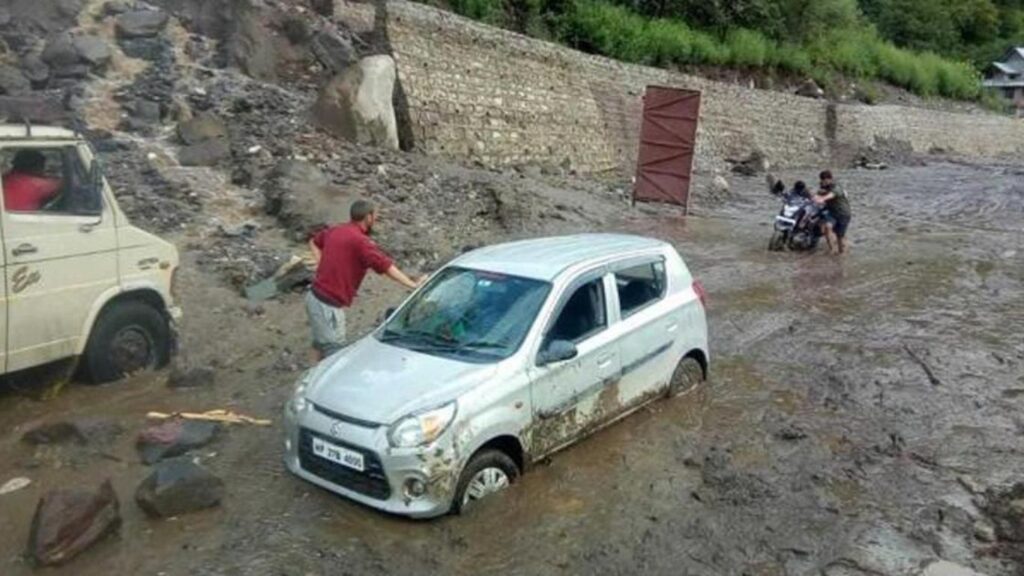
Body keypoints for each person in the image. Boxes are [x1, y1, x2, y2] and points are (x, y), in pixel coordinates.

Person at [306, 199, 422, 360]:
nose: (376, 219)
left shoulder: (337, 230)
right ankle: (321, 383)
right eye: (375, 216)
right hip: (328, 305)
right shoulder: (361, 242)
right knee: (333, 354)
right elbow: (385, 266)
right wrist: (412, 284)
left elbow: (313, 242)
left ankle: (310, 381)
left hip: (315, 297)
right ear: (368, 217)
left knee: (320, 343)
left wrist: (320, 263)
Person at [813, 170, 852, 255]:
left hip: (843, 214)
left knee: (840, 236)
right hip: (832, 213)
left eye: (825, 180)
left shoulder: (837, 188)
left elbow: (830, 196)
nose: (823, 181)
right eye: (822, 179)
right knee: (827, 227)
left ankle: (842, 254)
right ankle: (832, 250)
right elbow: (816, 194)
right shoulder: (824, 187)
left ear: (830, 179)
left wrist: (821, 199)